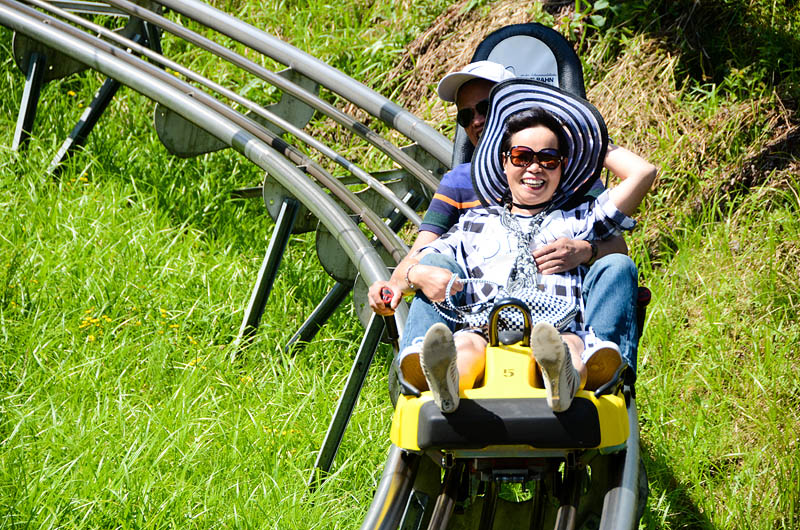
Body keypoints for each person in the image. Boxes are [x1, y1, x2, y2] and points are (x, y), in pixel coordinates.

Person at [382, 80, 657, 413]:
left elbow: (643, 173)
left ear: (563, 165)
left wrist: (589, 139)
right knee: (465, 345)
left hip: (555, 324)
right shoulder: (475, 222)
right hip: (486, 323)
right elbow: (424, 257)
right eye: (522, 157)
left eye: (549, 159)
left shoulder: (579, 219)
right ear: (504, 162)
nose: (534, 168)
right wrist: (417, 273)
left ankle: (562, 379)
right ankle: (447, 381)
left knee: (569, 346)